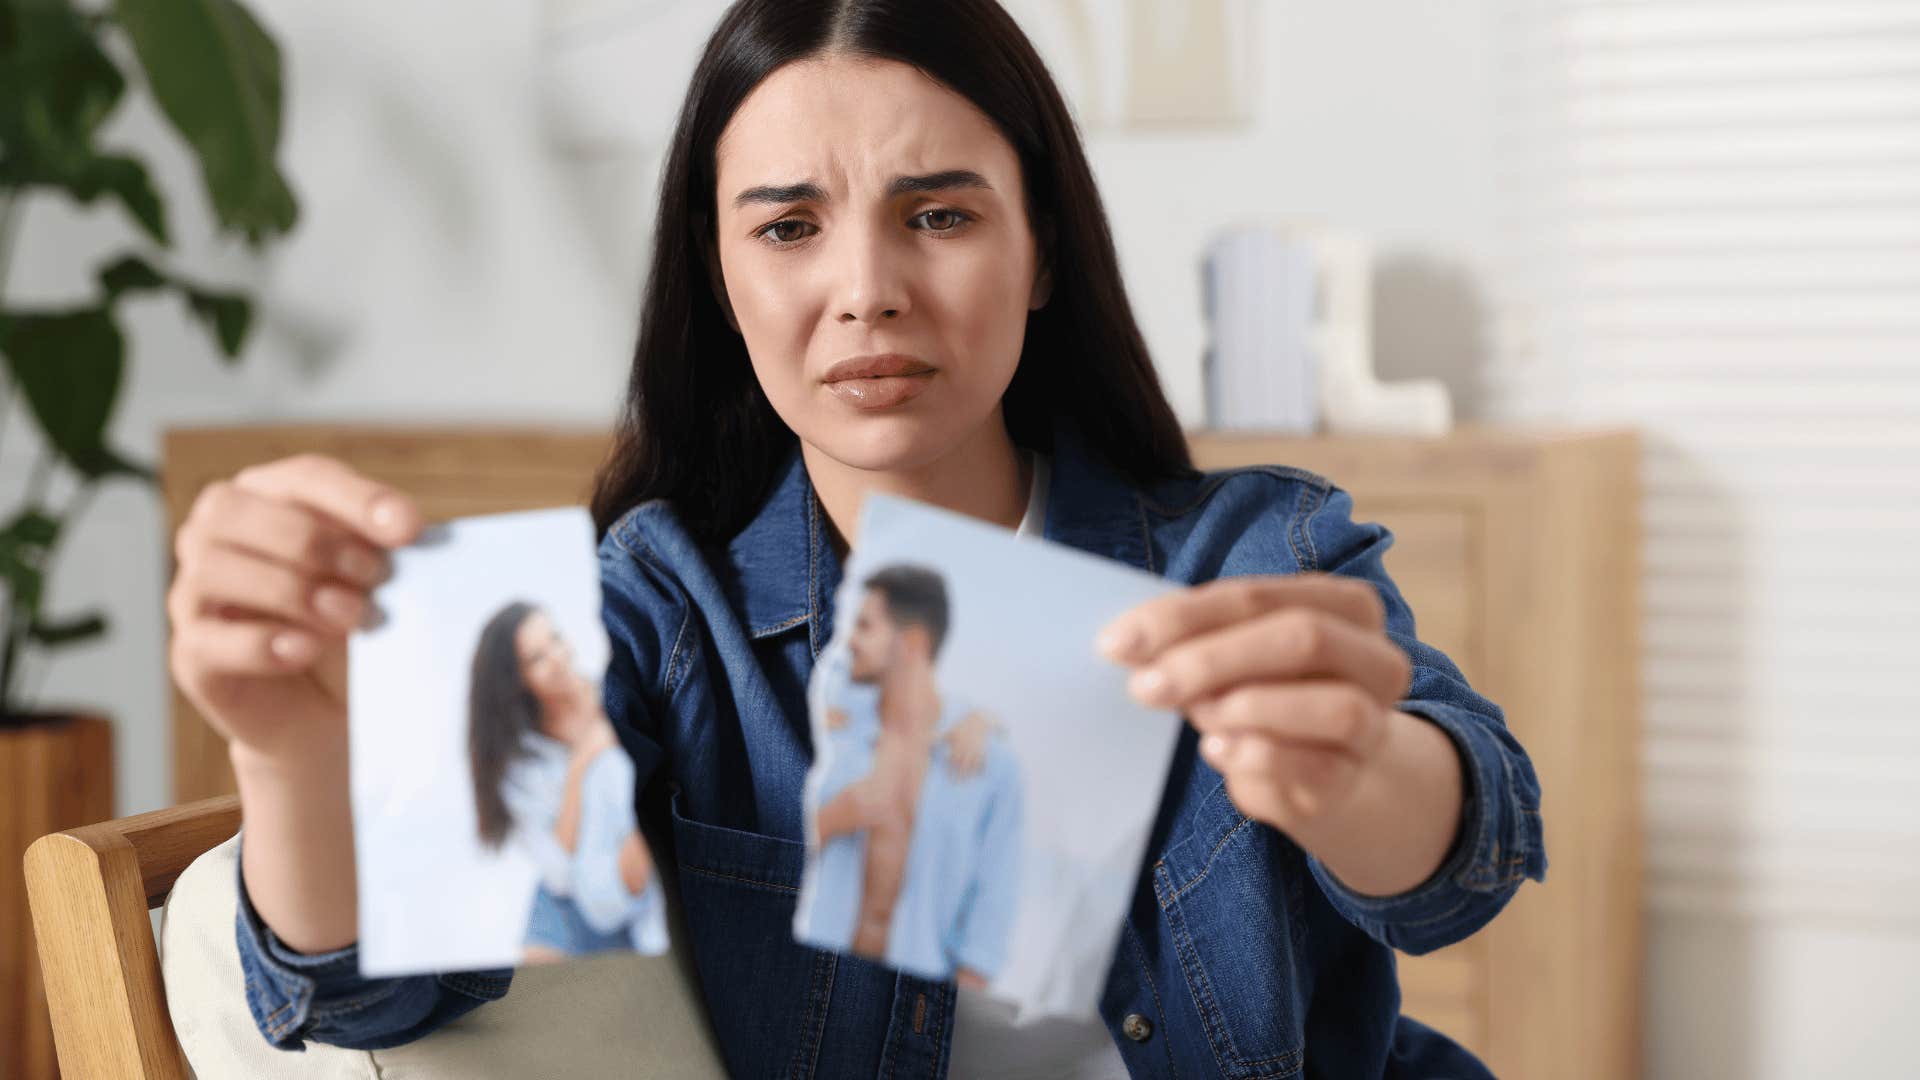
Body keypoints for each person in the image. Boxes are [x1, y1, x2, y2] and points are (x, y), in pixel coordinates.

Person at [166, 1, 1547, 1074]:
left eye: (938, 215)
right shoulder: (658, 607)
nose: (866, 292)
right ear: (720, 271)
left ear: (1043, 251)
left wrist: (1358, 775)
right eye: (788, 227)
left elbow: (1466, 858)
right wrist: (288, 750)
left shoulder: (1253, 546)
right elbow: (376, 989)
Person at [796, 565, 1024, 988]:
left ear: (913, 643)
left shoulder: (988, 764)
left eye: (865, 626)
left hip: (923, 1001)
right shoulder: (834, 722)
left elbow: (994, 903)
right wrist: (834, 818)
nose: (850, 641)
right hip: (810, 978)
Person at [465, 601, 668, 961]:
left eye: (556, 640)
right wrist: (582, 761)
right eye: (536, 659)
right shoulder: (519, 765)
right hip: (571, 902)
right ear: (515, 682)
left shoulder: (612, 686)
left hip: (630, 892)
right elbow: (558, 871)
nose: (557, 658)